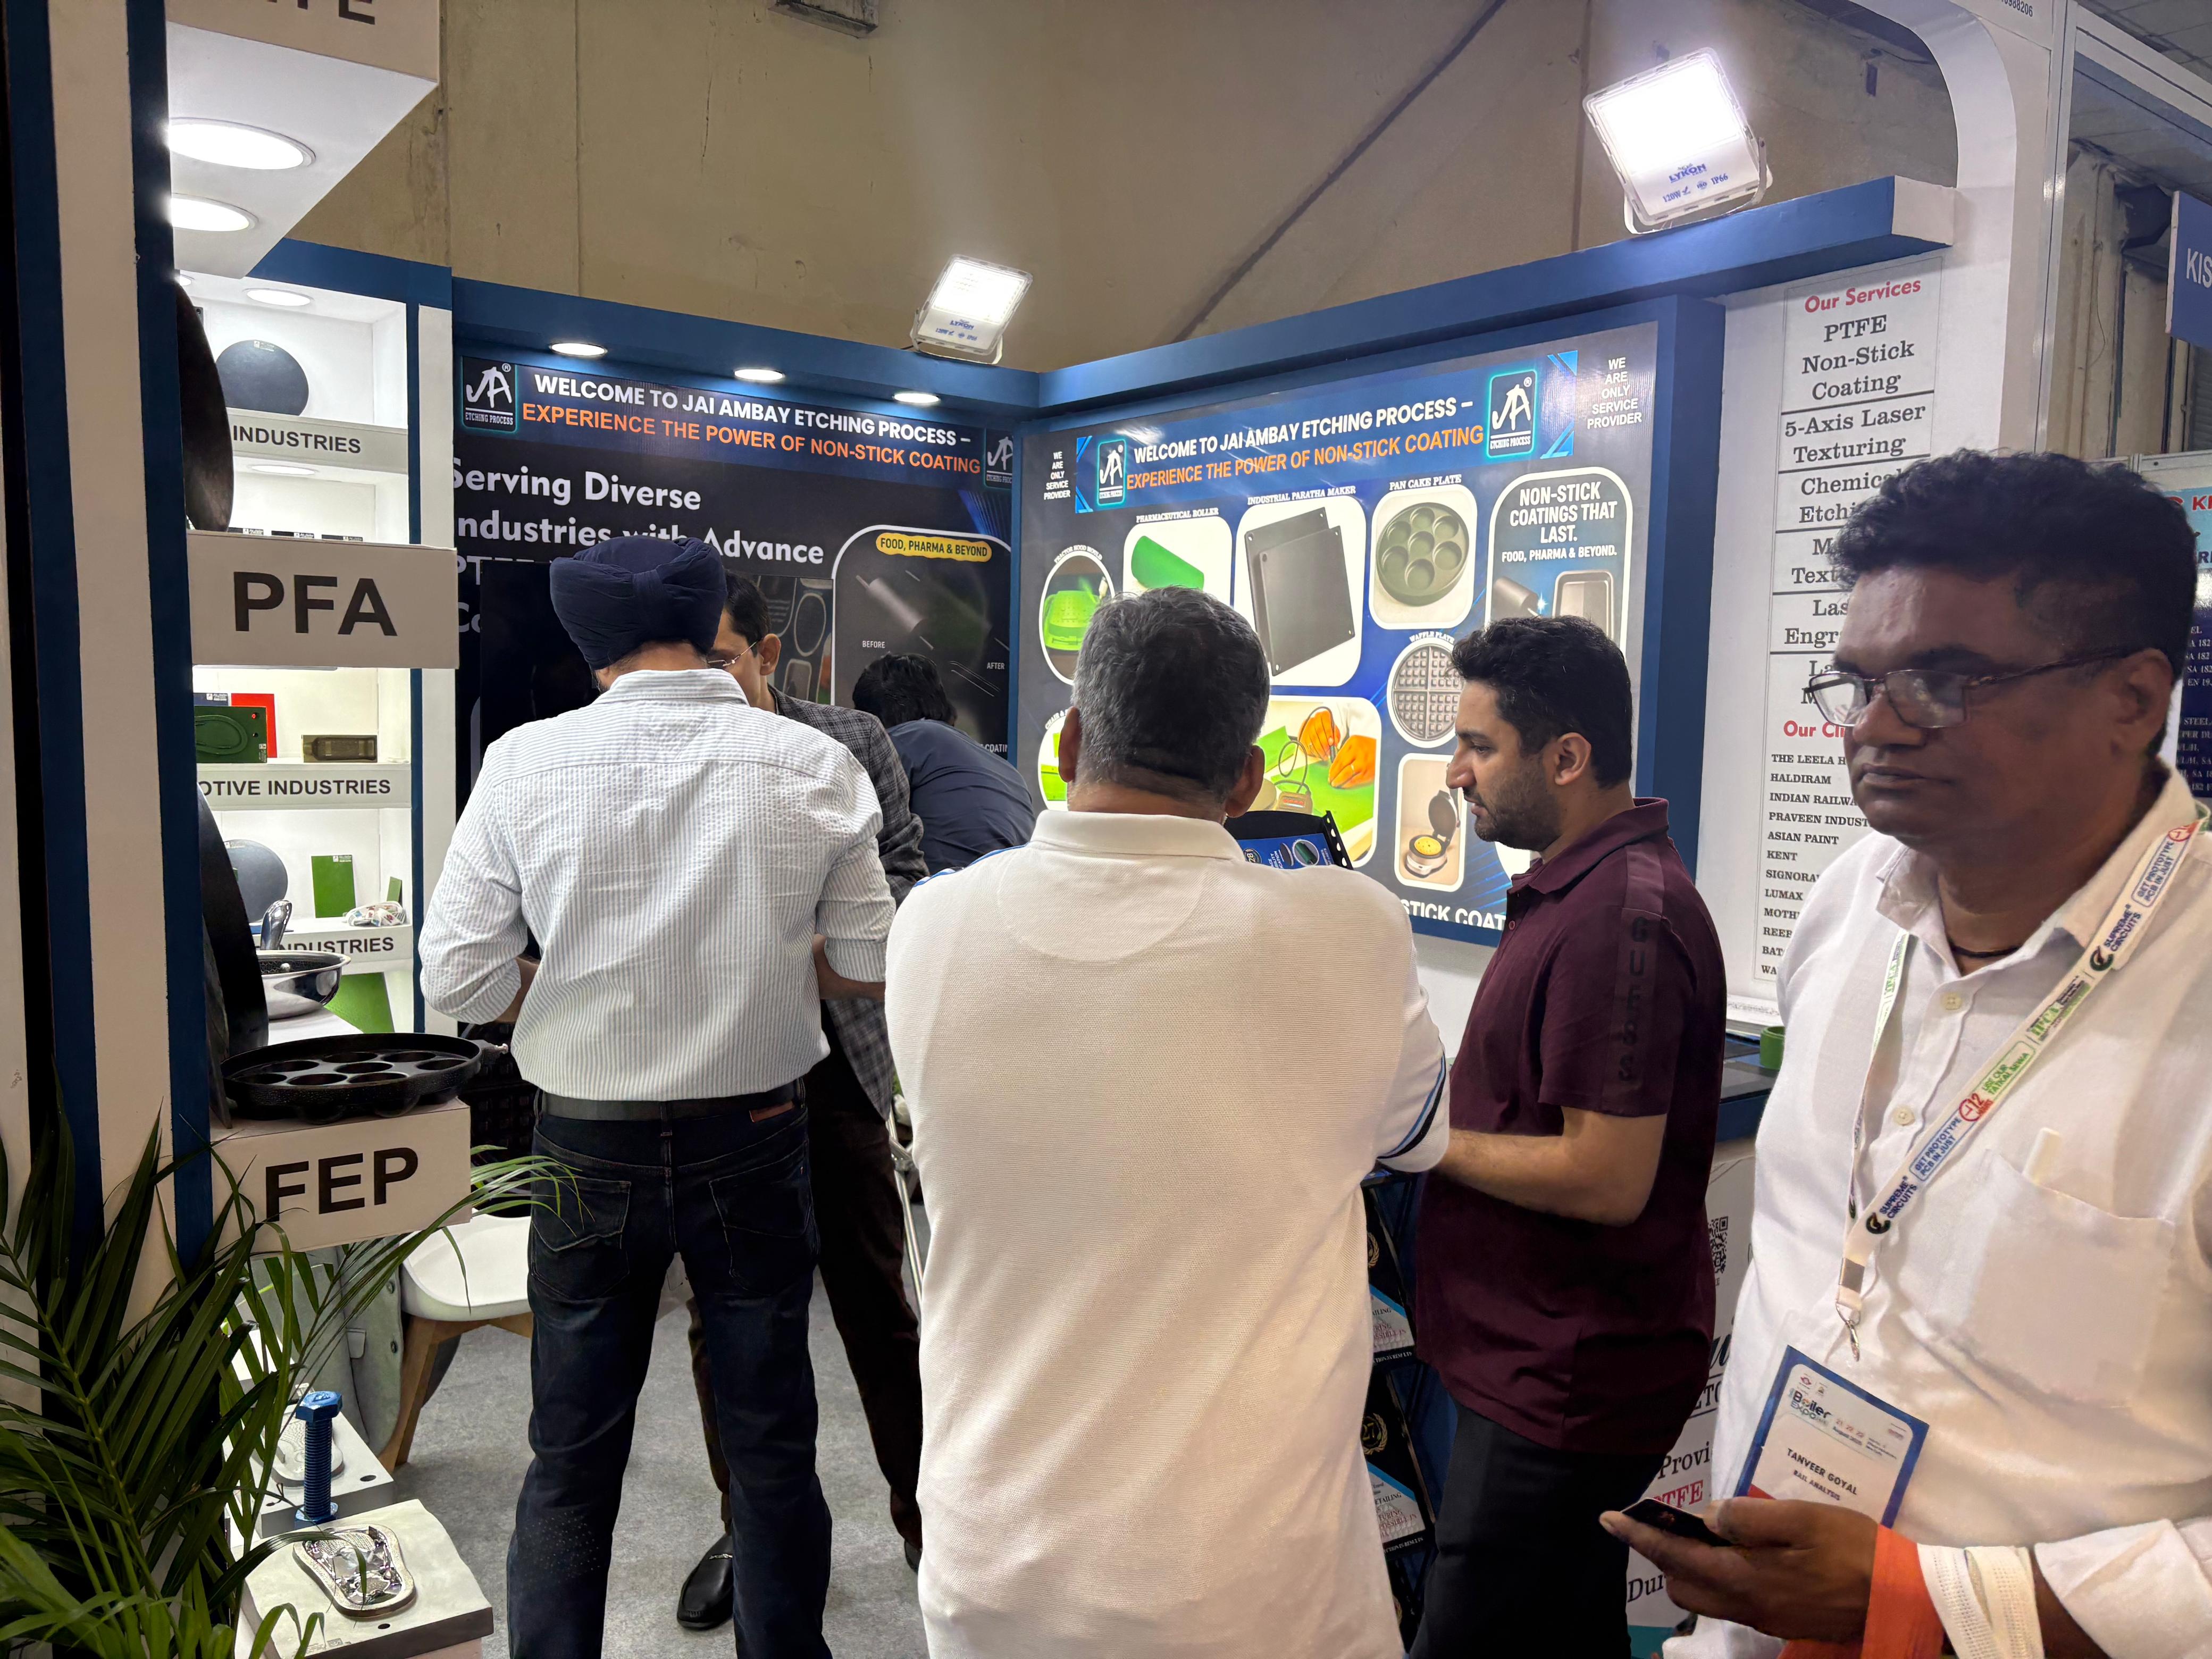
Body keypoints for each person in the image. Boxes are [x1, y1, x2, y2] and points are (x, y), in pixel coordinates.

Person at [1612, 451, 2212, 1659]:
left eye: (1944, 681)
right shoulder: (1849, 905)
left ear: (2133, 697)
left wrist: (1928, 1606)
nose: (1875, 727)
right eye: (1860, 681)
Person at [884, 587, 1451, 1659]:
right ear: (1247, 781)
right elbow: (1416, 1136)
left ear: (1067, 744)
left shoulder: (932, 928)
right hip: (1260, 1595)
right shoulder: (1350, 932)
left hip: (994, 1572)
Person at [419, 535, 894, 1659]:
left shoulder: (525, 765)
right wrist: (759, 966)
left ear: (591, 649)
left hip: (587, 1148)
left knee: (571, 1456)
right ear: (707, 622)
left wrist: (568, 984)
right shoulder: (812, 761)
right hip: (759, 1136)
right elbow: (871, 959)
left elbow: (460, 979)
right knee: (772, 1444)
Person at [1410, 614, 1726, 1659]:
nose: (1456, 773)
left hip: (1563, 1383)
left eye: (1479, 746)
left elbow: (1606, 1175)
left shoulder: (1620, 918)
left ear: (1567, 757)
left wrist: (1418, 1140)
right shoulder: (1574, 888)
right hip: (1534, 1358)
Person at [674, 568, 930, 1631]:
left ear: (768, 655)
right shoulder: (666, 755)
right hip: (718, 1074)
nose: (700, 688)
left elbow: (906, 877)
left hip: (836, 1067)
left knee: (876, 1303)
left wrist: (809, 955)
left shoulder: (853, 741)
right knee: (728, 1319)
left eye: (720, 663)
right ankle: (753, 1527)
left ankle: (931, 1516)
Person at [851, 652, 1036, 872]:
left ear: (871, 719)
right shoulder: (1007, 770)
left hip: (949, 887)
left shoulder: (902, 741)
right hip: (1019, 884)